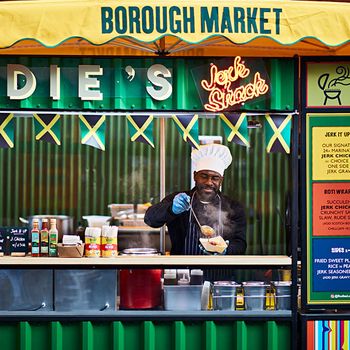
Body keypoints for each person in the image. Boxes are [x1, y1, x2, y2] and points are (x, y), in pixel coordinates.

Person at [144, 144, 246, 261]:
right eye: (204, 176)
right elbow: (150, 219)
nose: (209, 182)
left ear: (221, 180)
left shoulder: (233, 207)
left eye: (215, 178)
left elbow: (240, 244)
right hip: (183, 272)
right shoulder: (181, 200)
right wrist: (171, 209)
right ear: (195, 176)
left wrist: (227, 249)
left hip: (220, 275)